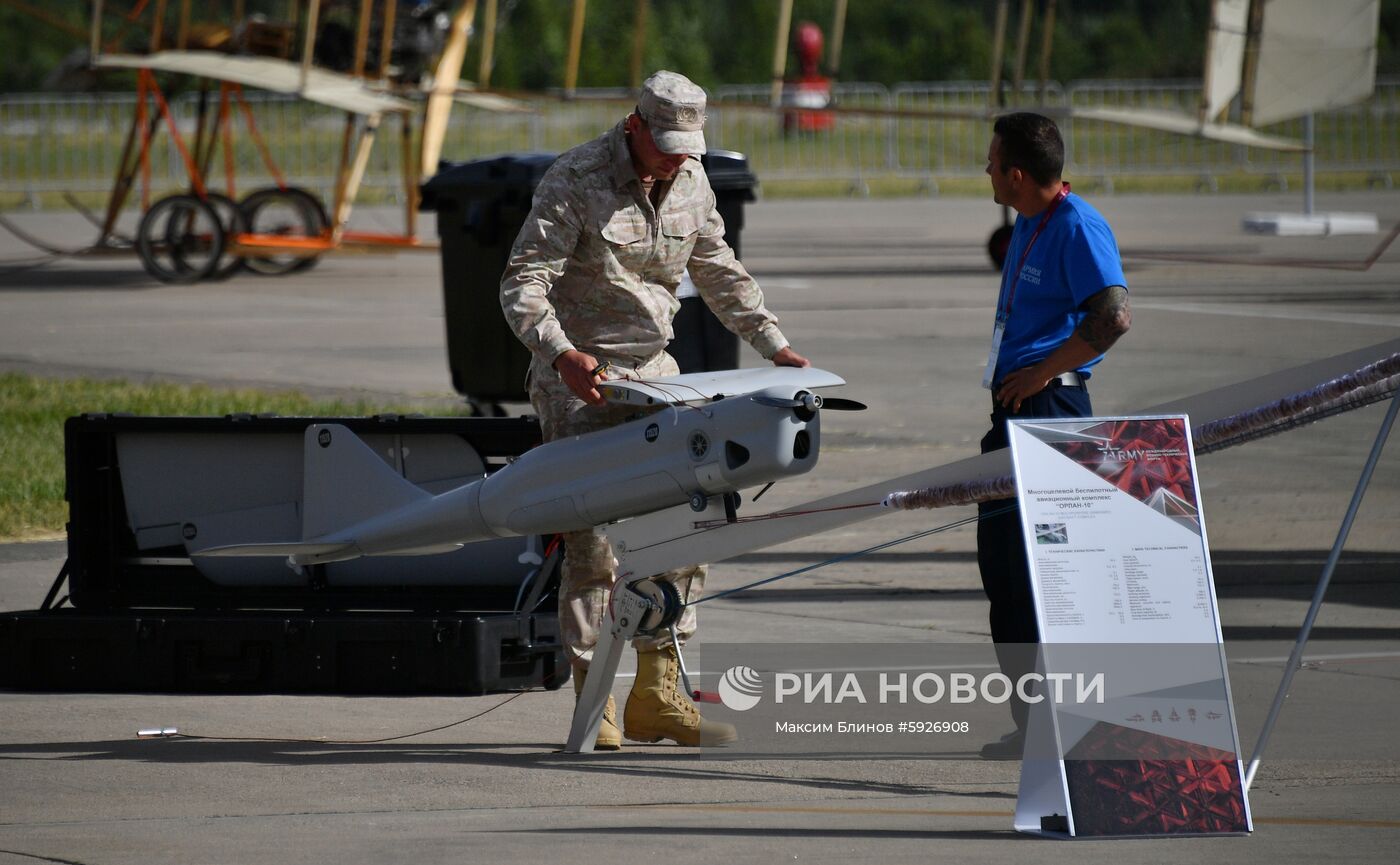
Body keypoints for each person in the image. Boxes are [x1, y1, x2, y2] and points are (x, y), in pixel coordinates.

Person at [500, 70, 810, 749]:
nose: (675, 157)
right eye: (664, 143)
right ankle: (595, 700)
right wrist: (561, 355)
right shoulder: (576, 178)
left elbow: (719, 268)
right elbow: (522, 283)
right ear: (634, 125)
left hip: (658, 378)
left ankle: (657, 693)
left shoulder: (693, 180)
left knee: (684, 530)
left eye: (685, 146)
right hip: (582, 379)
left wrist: (775, 344)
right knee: (592, 547)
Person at [976, 112, 1132, 759]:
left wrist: (1041, 370)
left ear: (1016, 173)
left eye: (990, 161)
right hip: (1014, 409)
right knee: (1006, 577)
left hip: (1050, 406)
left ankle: (1067, 720)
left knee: (1045, 579)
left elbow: (1114, 316)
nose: (984, 170)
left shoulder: (1077, 226)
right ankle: (1032, 722)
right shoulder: (1029, 223)